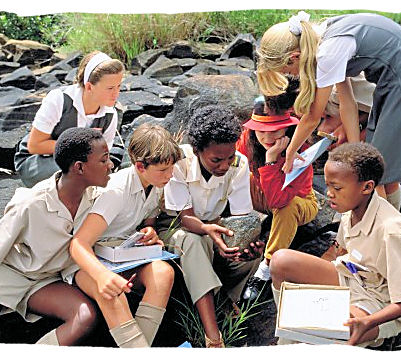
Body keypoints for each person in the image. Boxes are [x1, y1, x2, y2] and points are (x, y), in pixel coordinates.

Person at [256, 11, 401, 210]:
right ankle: (390, 225)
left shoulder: (328, 53)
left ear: (294, 57)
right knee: (378, 166)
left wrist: (290, 153)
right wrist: (357, 150)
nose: (293, 75)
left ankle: (382, 232)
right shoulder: (324, 35)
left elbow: (312, 116)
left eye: (289, 71)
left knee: (373, 175)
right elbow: (348, 103)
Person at [0, 127, 114, 345]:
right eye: (104, 160)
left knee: (85, 317)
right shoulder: (31, 203)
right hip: (10, 273)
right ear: (79, 167)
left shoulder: (96, 197)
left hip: (47, 279)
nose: (111, 165)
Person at [269, 142, 401, 347]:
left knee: (319, 333)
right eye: (327, 185)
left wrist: (368, 322)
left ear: (367, 187)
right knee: (281, 260)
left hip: (379, 301)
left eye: (336, 187)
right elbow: (339, 251)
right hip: (351, 278)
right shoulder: (351, 209)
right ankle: (288, 323)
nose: (329, 193)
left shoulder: (392, 231)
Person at [68, 123, 182, 348]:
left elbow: (147, 220)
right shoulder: (116, 191)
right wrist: (102, 276)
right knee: (112, 292)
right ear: (140, 166)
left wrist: (149, 231)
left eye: (172, 168)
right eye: (163, 170)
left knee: (163, 273)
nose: (170, 175)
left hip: (119, 254)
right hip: (86, 262)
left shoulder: (154, 183)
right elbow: (79, 243)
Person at [161, 105, 265, 348]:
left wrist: (241, 243)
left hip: (213, 227)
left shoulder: (239, 164)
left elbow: (240, 219)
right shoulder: (179, 161)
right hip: (176, 226)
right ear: (197, 150)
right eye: (216, 160)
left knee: (249, 254)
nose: (224, 165)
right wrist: (210, 232)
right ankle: (213, 336)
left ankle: (226, 303)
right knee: (194, 242)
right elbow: (185, 218)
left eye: (229, 157)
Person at [236, 96, 318, 302]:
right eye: (261, 130)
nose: (266, 136)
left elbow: (277, 202)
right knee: (235, 170)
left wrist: (271, 160)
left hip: (297, 201)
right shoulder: (248, 139)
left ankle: (265, 268)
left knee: (286, 207)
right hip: (261, 192)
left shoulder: (302, 152)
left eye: (274, 130)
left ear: (287, 128)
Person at [15, 50, 125, 187]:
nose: (116, 93)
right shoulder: (59, 99)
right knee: (79, 172)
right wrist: (81, 149)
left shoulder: (110, 114)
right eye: (110, 88)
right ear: (89, 86)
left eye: (119, 86)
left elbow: (103, 154)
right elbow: (35, 145)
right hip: (36, 160)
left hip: (80, 162)